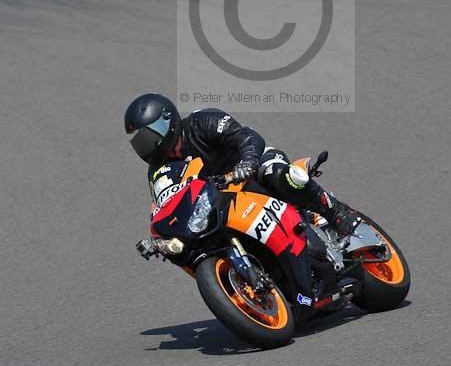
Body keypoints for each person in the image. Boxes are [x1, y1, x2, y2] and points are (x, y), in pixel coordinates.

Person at [125, 93, 360, 258]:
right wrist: (162, 239)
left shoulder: (201, 122)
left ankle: (336, 212)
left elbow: (248, 137)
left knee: (276, 174)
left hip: (252, 168)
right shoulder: (158, 171)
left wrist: (247, 162)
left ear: (168, 122)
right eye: (140, 143)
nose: (148, 147)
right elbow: (166, 203)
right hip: (223, 204)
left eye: (149, 138)